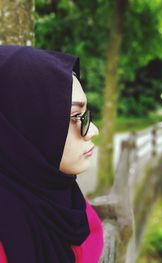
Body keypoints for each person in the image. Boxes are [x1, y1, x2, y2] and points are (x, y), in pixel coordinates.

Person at [0, 45, 103, 262]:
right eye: (76, 116)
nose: (93, 130)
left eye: (86, 115)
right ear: (24, 125)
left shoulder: (64, 196)